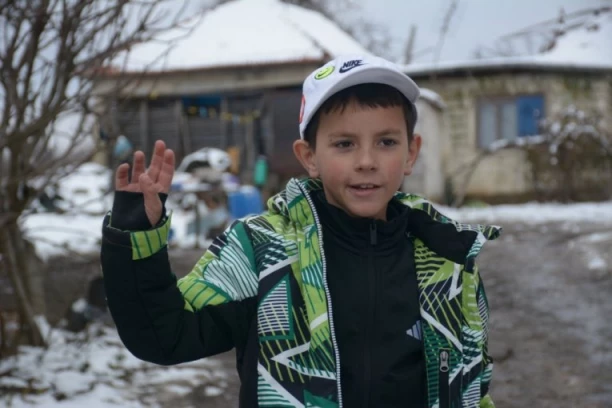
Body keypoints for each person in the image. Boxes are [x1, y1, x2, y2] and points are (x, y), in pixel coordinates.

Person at [101, 55, 500, 408]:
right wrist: (137, 236)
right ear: (309, 157)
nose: (366, 161)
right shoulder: (260, 250)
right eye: (344, 144)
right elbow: (165, 335)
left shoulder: (447, 259)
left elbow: (473, 385)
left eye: (386, 142)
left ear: (410, 152)